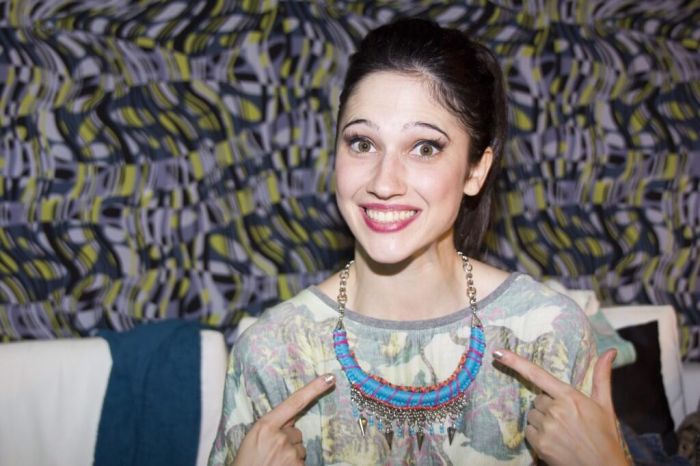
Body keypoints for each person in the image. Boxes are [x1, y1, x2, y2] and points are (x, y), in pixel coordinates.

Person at [208, 18, 629, 465]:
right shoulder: (273, 350)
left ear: (476, 171)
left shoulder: (548, 332)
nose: (383, 182)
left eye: (424, 148)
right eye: (362, 143)